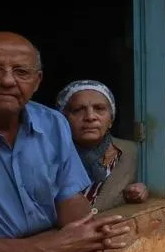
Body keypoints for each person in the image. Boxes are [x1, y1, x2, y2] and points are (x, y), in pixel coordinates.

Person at [0, 32, 131, 252]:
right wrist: (46, 248)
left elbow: (68, 196)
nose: (8, 81)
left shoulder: (52, 122)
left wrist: (88, 231)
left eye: (22, 72)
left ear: (37, 81)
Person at [55, 80, 149, 211]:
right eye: (78, 110)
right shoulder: (51, 155)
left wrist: (139, 191)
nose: (90, 117)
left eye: (99, 109)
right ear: (63, 118)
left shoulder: (130, 152)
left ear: (111, 119)